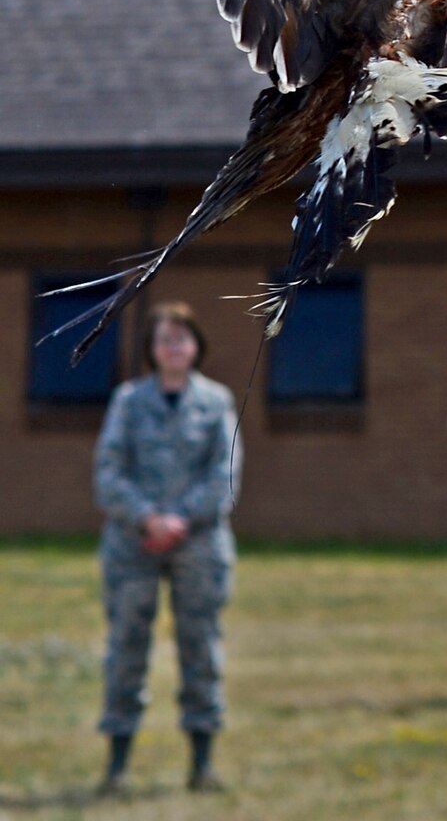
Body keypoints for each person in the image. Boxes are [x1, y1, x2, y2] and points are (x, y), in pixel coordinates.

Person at [92, 301, 240, 796]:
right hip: (133, 544)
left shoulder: (217, 402)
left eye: (182, 337)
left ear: (197, 345)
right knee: (127, 650)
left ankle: (202, 765)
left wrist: (181, 519)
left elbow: (225, 473)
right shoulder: (128, 401)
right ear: (151, 350)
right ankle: (117, 769)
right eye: (164, 339)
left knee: (201, 648)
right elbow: (109, 471)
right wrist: (149, 517)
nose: (173, 346)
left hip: (198, 543)